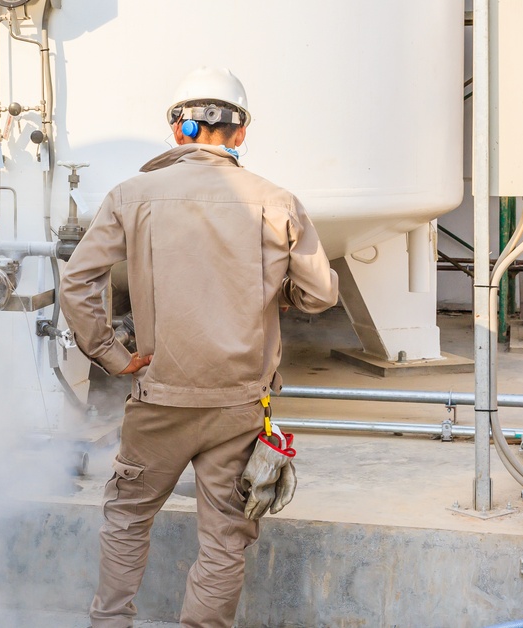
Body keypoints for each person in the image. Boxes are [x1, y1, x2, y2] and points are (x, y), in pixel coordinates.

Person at [59, 67, 339, 628]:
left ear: (176, 129)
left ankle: (110, 622)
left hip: (160, 396)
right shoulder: (276, 200)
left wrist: (112, 354)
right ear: (239, 134)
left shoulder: (132, 194)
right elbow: (321, 291)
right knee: (225, 537)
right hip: (238, 404)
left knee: (129, 517)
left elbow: (76, 280)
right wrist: (274, 291)